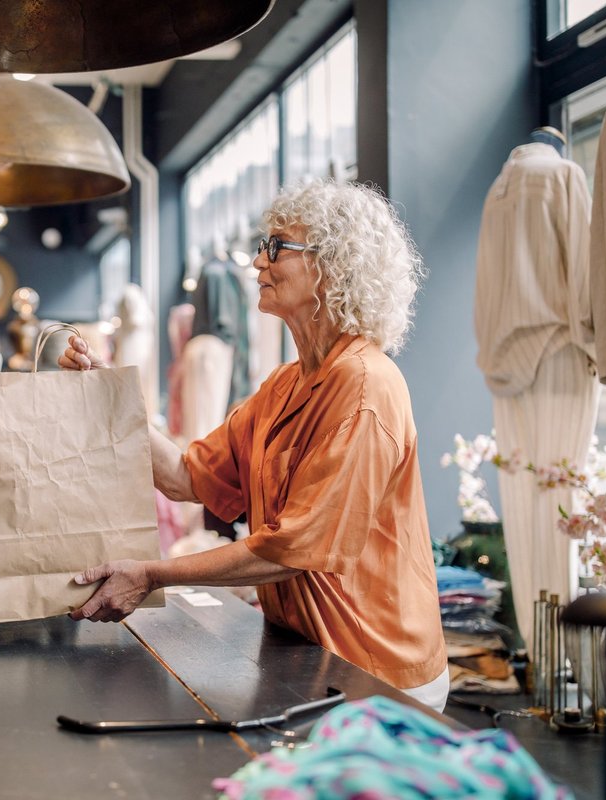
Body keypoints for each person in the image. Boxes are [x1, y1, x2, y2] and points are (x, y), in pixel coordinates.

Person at [60, 180, 449, 713]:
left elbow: (294, 550)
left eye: (276, 247)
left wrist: (152, 574)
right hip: (310, 654)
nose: (258, 263)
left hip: (375, 668)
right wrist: (106, 394)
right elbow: (185, 476)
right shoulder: (284, 386)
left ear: (333, 266)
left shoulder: (365, 385)